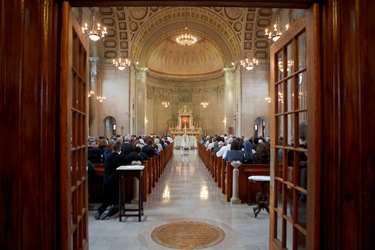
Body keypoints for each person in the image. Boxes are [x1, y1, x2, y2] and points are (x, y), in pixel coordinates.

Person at [93, 141, 126, 220]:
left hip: (106, 180)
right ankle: (109, 212)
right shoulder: (121, 157)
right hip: (115, 182)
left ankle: (99, 211)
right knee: (118, 204)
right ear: (120, 148)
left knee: (106, 201)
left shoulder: (107, 157)